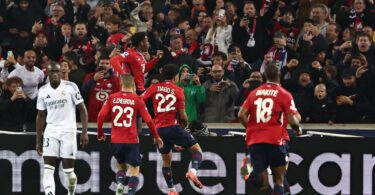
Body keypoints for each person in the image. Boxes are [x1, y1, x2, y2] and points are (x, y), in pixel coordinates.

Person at [238, 63, 302, 194]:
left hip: (256, 140)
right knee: (280, 179)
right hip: (277, 140)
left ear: (264, 76)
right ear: (279, 76)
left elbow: (241, 115)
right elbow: (294, 118)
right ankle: (249, 167)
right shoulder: (284, 94)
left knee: (263, 184)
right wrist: (297, 128)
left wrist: (251, 129)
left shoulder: (254, 93)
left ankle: (249, 168)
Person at [97, 74, 163, 195]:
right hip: (131, 140)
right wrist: (156, 136)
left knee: (121, 167)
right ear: (133, 85)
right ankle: (131, 193)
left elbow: (100, 116)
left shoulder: (112, 98)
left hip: (116, 140)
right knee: (134, 170)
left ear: (121, 84)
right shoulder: (137, 99)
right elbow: (148, 120)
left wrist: (100, 133)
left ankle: (121, 185)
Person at [143, 64, 204, 195]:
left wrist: (148, 117)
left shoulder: (154, 87)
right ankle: (192, 172)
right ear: (176, 77)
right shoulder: (178, 90)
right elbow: (183, 116)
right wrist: (184, 129)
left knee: (166, 160)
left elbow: (140, 101)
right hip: (172, 126)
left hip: (158, 129)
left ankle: (171, 189)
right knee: (197, 151)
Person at [35, 62, 89, 195]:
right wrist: (38, 140)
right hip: (51, 131)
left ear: (61, 73)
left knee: (68, 172)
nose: (55, 74)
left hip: (68, 131)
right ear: (47, 73)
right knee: (48, 169)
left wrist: (84, 132)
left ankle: (71, 192)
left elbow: (82, 109)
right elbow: (40, 115)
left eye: (57, 72)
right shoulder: (43, 91)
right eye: (52, 72)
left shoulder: (71, 87)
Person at [81, 56, 121, 122]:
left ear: (111, 66)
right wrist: (93, 80)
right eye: (102, 63)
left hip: (110, 119)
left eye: (107, 64)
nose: (104, 66)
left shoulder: (116, 80)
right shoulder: (90, 76)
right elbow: (83, 91)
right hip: (92, 118)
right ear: (98, 64)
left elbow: (119, 98)